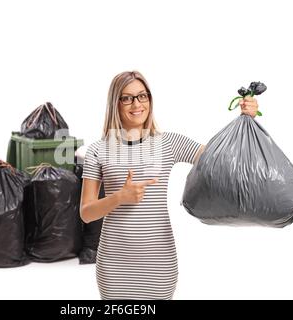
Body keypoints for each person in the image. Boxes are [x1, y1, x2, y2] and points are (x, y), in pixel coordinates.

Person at [80, 70, 258, 300]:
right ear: (115, 103)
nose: (137, 104)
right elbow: (86, 213)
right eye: (127, 97)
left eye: (143, 96)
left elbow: (220, 158)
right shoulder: (98, 150)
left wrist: (246, 121)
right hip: (114, 267)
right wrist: (118, 198)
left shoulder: (169, 143)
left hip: (158, 264)